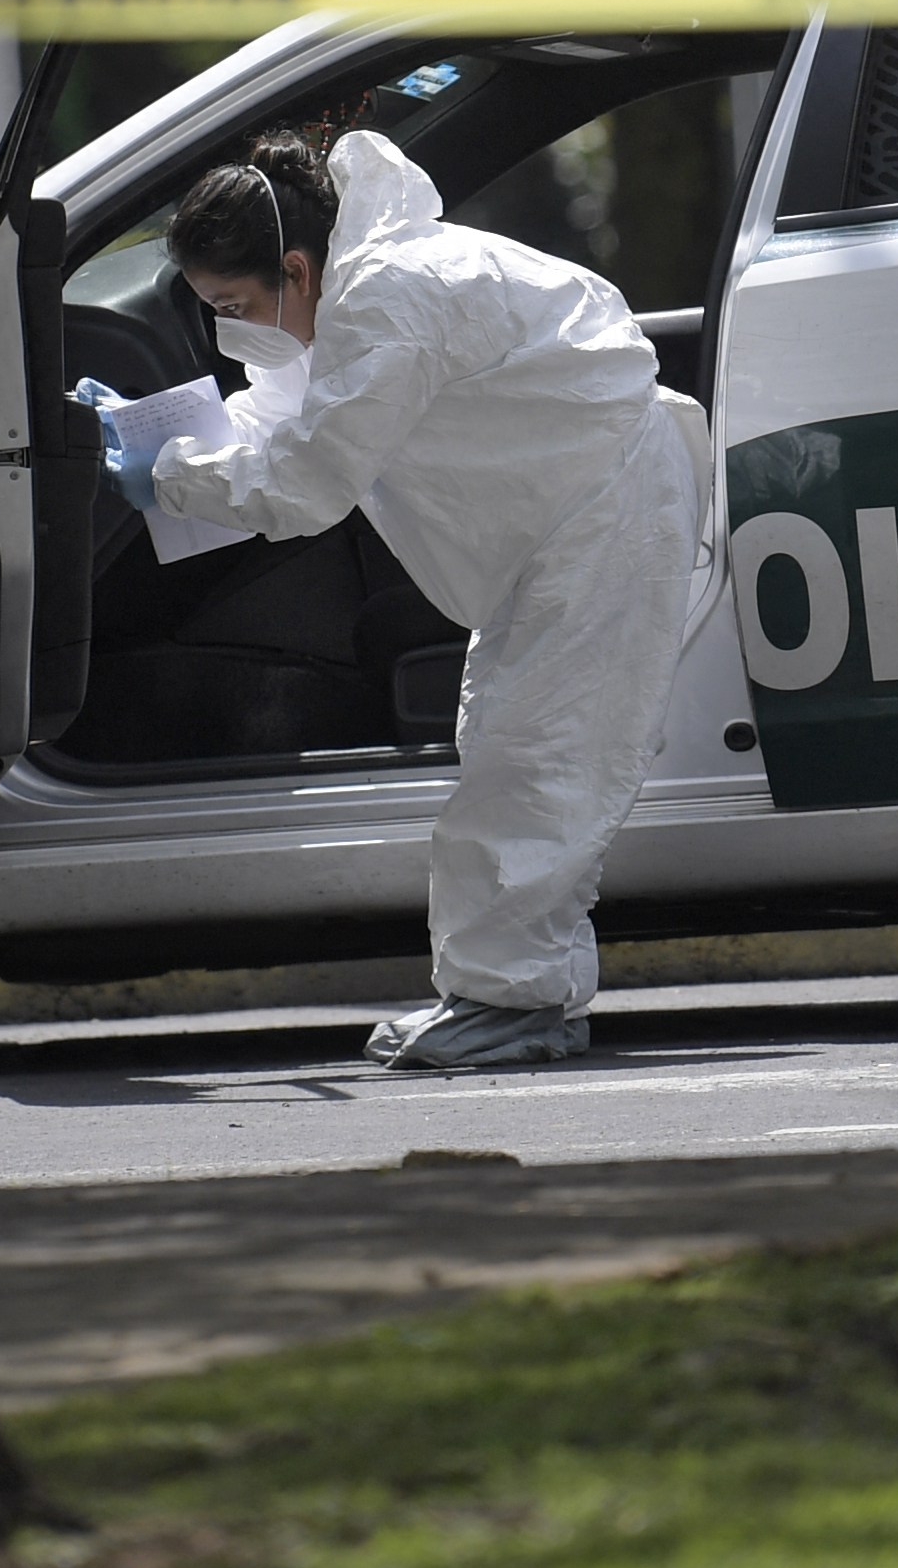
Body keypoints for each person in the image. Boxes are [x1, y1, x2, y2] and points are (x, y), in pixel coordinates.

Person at [79, 124, 714, 1070]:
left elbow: (304, 480)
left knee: (539, 761)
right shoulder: (360, 288)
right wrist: (159, 439)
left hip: (605, 514)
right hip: (571, 520)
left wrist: (166, 476)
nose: (225, 328)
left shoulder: (389, 298)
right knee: (516, 749)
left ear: (295, 270)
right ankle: (504, 992)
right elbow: (292, 408)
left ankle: (514, 1002)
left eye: (231, 303)